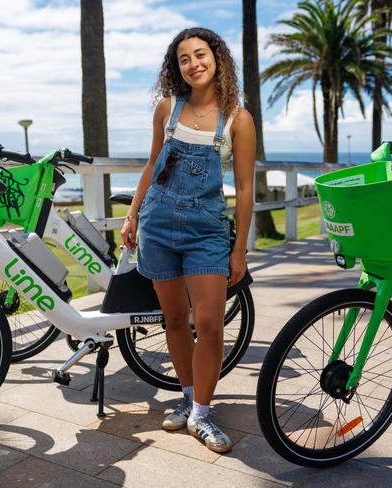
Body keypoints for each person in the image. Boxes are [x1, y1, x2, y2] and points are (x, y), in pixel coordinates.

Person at [120, 27, 255, 453]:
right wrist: (132, 214)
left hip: (207, 232)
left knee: (210, 324)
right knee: (175, 320)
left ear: (217, 59)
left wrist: (240, 250)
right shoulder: (167, 109)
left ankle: (202, 414)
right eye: (184, 58)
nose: (193, 64)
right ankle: (189, 398)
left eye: (200, 54)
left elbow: (246, 189)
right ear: (176, 67)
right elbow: (152, 164)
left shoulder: (239, 118)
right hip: (158, 224)